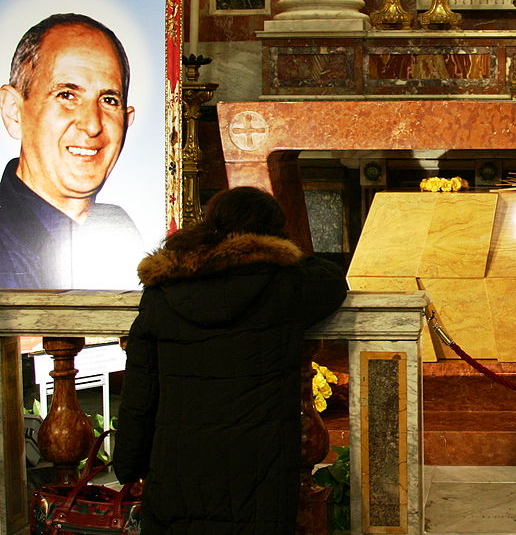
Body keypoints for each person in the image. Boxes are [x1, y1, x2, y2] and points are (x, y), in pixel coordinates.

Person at [113, 187, 348, 533]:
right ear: (273, 232)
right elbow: (330, 279)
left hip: (177, 461)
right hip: (258, 465)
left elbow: (140, 388)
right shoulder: (284, 284)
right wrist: (286, 254)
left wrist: (128, 462)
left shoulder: (164, 291)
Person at [0, 12, 141, 289]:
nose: (91, 125)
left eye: (109, 100)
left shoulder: (119, 228)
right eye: (67, 95)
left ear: (127, 121)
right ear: (14, 111)